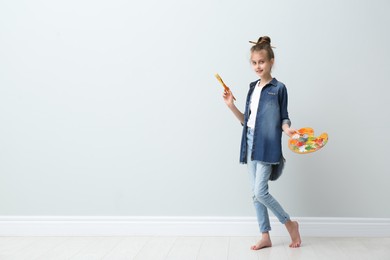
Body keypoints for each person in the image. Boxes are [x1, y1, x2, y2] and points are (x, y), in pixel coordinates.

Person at [222, 36, 301, 250]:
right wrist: (230, 105)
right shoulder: (252, 88)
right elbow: (245, 121)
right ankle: (265, 235)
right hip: (249, 142)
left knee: (260, 191)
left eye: (262, 62)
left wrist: (287, 130)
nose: (258, 66)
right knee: (254, 193)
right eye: (254, 62)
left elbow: (284, 117)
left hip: (267, 144)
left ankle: (290, 224)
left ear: (271, 61)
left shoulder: (279, 88)